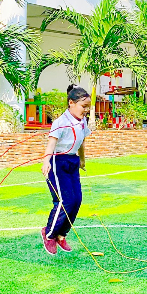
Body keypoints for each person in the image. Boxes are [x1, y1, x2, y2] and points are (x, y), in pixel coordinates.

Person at [41, 85, 91, 255]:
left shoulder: (82, 121)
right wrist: (46, 161)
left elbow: (82, 141)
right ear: (71, 103)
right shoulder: (60, 122)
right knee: (65, 201)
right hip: (58, 161)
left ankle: (62, 235)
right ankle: (49, 234)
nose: (86, 110)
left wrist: (82, 160)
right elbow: (51, 143)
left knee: (76, 200)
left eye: (88, 107)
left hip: (72, 161)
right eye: (83, 106)